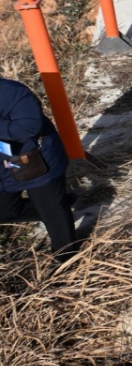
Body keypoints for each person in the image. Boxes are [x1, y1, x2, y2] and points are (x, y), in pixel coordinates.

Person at [0, 78, 78, 261]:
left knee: (53, 214)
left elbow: (28, 127)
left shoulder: (13, 92)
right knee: (4, 212)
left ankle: (65, 260)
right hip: (4, 167)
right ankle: (60, 205)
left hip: (35, 158)